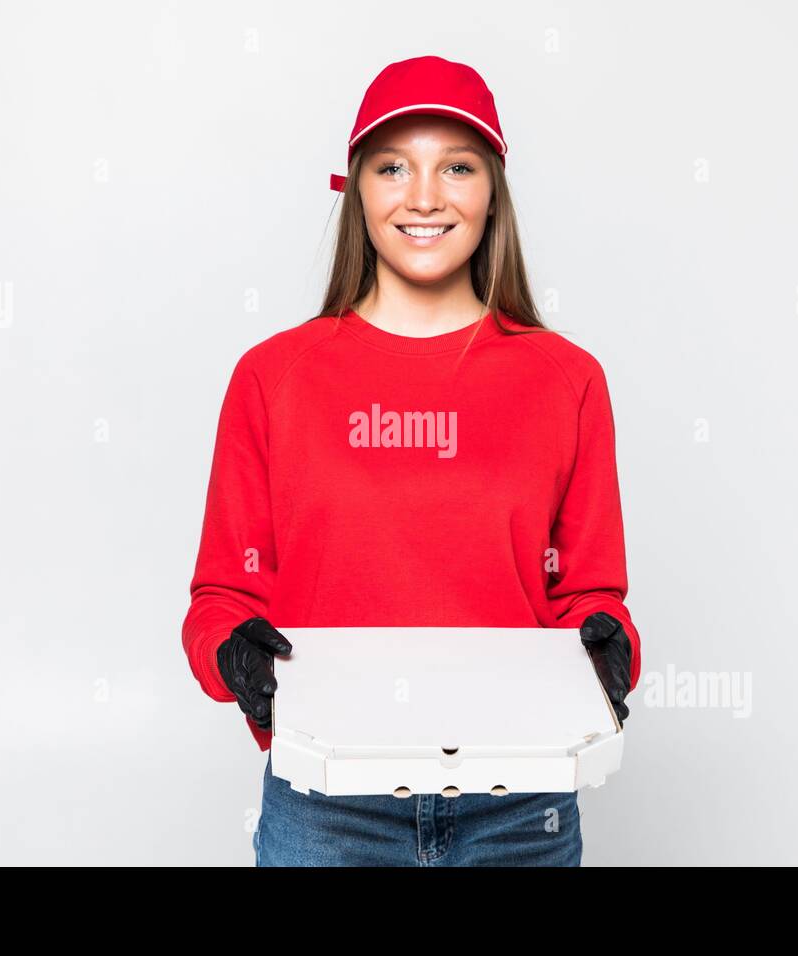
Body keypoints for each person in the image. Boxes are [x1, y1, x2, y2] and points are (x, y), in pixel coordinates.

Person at [181, 55, 641, 866]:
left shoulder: (567, 379)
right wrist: (231, 653)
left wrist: (610, 647)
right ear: (356, 189)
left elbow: (591, 593)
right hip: (329, 811)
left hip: (518, 809)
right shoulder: (272, 378)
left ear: (491, 190)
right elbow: (223, 593)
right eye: (394, 166)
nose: (424, 196)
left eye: (455, 167)